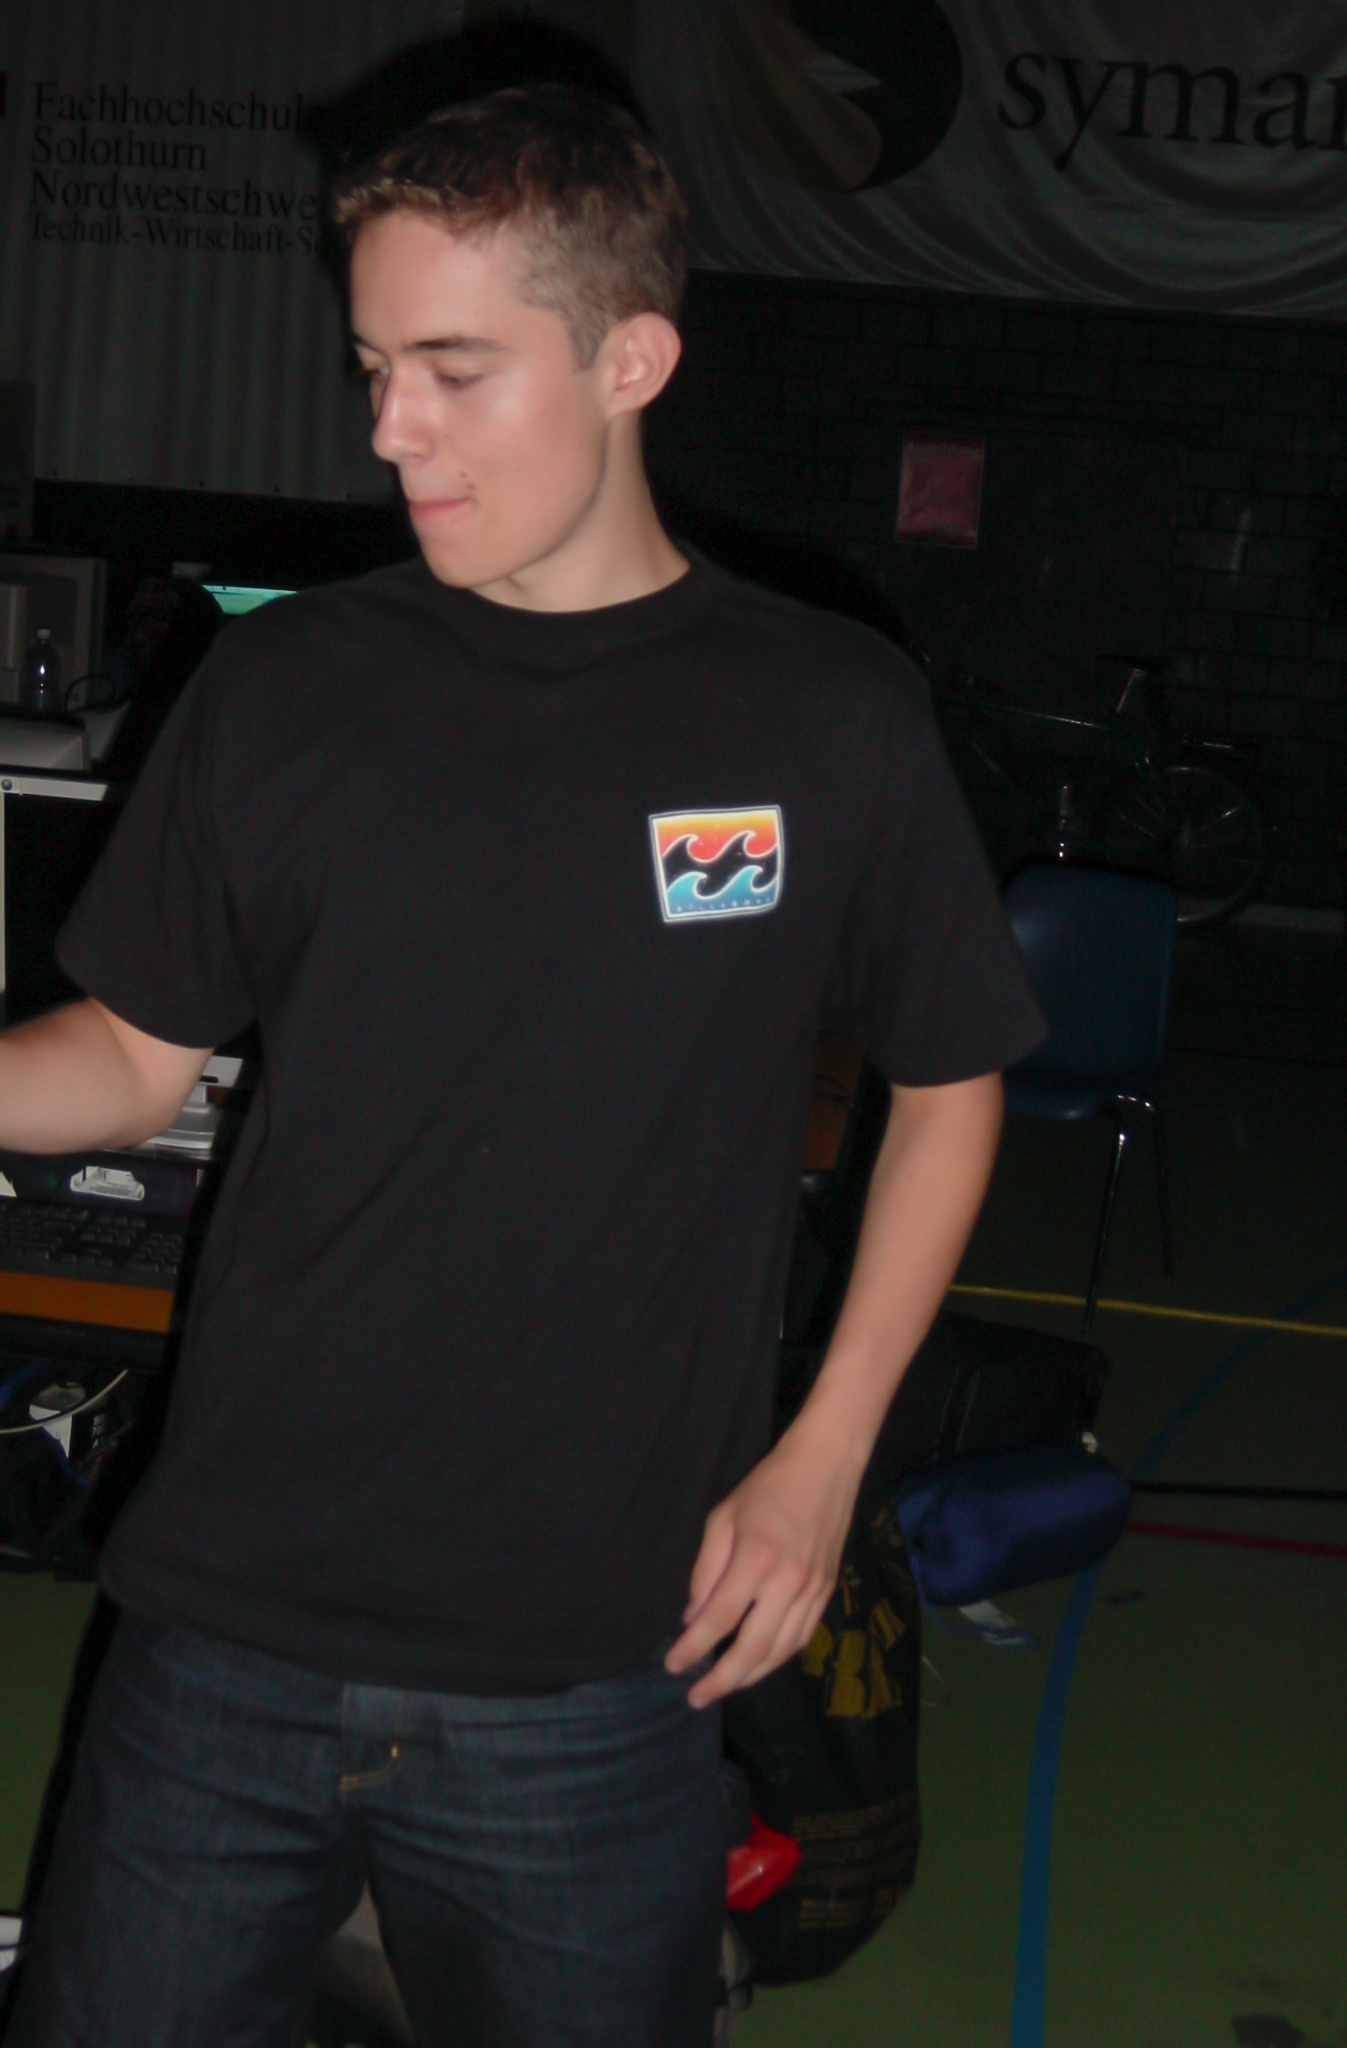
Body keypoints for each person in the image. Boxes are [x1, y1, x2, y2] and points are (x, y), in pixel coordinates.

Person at [0, 84, 1042, 2048]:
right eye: (373, 367)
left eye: (455, 370)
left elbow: (950, 1083)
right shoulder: (285, 684)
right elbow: (133, 1054)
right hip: (224, 1631)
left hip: (594, 1665)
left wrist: (824, 1456)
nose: (390, 428)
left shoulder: (822, 712)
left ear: (631, 359)